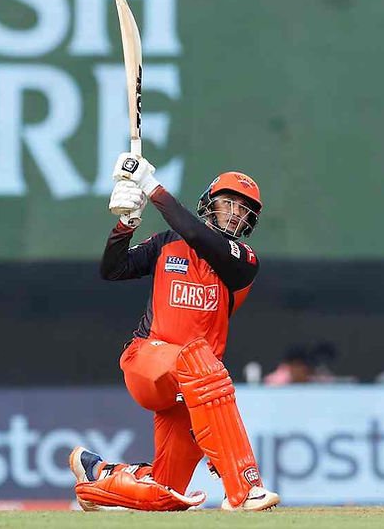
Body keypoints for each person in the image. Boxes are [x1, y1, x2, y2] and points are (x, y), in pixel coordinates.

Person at [68, 153, 280, 512]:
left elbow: (198, 235)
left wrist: (151, 187)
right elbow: (113, 269)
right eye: (228, 203)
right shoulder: (167, 242)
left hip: (193, 390)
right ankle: (245, 488)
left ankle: (98, 475)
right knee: (200, 359)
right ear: (210, 205)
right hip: (148, 360)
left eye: (244, 210)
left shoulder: (243, 263)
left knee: (165, 493)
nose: (234, 213)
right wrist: (126, 224)